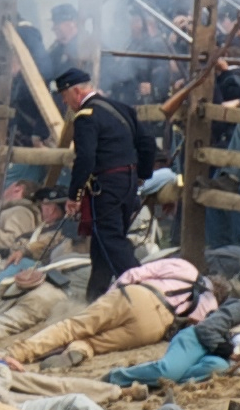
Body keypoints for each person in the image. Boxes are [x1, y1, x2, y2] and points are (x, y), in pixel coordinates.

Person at [62, 68, 164, 296]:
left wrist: (74, 195)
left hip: (106, 187)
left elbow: (85, 158)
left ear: (76, 91)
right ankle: (94, 298)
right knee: (101, 246)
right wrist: (141, 175)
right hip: (128, 184)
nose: (63, 101)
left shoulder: (85, 116)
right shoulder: (122, 108)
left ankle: (149, 292)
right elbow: (147, 143)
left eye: (64, 95)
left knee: (111, 241)